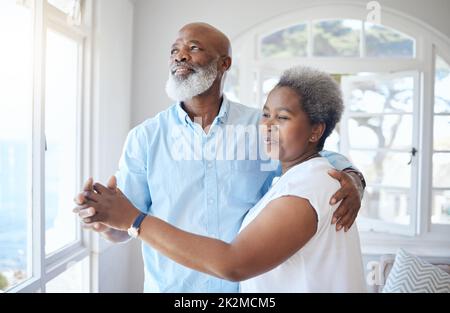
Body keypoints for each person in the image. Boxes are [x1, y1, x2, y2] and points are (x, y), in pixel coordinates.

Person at [73, 23, 366, 292]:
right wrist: (105, 224)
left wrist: (353, 179)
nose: (180, 56)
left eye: (194, 48)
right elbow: (125, 227)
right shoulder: (145, 138)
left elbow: (315, 157)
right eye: (175, 50)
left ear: (224, 63)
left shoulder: (261, 126)